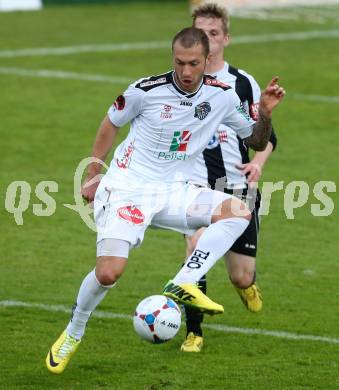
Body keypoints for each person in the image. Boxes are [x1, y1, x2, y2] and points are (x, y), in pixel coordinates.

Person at [46, 26, 285, 374]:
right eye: (180, 63)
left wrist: (264, 111)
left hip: (175, 190)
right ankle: (73, 331)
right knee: (109, 272)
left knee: (237, 212)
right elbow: (110, 123)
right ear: (172, 58)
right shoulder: (145, 91)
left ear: (207, 60)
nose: (186, 72)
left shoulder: (222, 94)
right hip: (127, 188)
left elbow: (258, 140)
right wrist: (94, 172)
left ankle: (186, 280)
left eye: (194, 63)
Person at [180, 3, 278, 353]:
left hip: (237, 190)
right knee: (195, 247)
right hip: (195, 188)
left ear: (225, 39)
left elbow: (268, 138)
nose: (206, 39)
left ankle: (247, 284)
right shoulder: (182, 80)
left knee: (240, 274)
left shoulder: (242, 83)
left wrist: (258, 165)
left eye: (213, 33)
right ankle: (194, 331)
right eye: (200, 33)